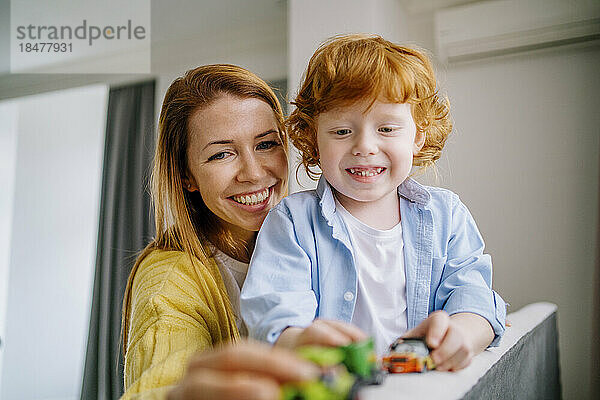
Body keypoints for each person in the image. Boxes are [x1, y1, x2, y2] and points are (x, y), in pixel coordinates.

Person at [241, 34, 507, 371]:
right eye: (341, 132)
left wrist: (463, 333)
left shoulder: (446, 215)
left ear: (418, 135)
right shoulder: (292, 221)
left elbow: (475, 296)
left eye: (387, 128)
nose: (365, 146)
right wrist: (298, 341)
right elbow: (274, 313)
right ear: (313, 138)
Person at [120, 64, 331, 399]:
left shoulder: (315, 236)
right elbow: (160, 384)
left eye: (265, 145)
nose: (253, 172)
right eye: (221, 154)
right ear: (186, 175)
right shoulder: (170, 279)